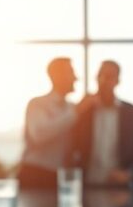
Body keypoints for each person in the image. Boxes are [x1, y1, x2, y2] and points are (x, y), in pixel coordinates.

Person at [69, 60, 133, 187]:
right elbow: (69, 147)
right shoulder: (83, 112)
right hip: (86, 185)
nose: (103, 80)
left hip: (120, 188)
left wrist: (130, 173)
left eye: (109, 76)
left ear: (117, 81)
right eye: (100, 76)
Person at [18, 58, 95, 189]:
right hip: (35, 174)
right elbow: (39, 134)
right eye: (71, 72)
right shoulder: (37, 104)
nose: (76, 78)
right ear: (57, 76)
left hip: (60, 177)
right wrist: (76, 112)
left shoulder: (72, 107)